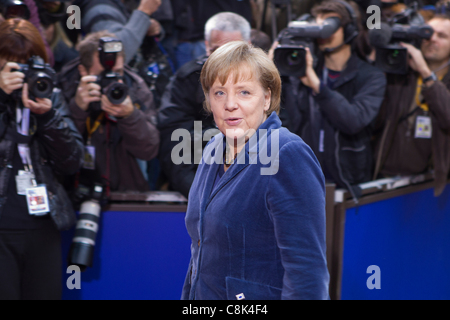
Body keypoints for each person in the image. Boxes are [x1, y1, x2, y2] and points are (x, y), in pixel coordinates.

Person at [181, 41, 329, 300]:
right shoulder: (213, 147)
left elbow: (307, 271)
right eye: (219, 93)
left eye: (244, 92)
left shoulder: (286, 152)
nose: (230, 104)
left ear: (267, 98)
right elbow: (200, 255)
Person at [0, 18, 84, 300]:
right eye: (12, 63)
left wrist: (47, 117)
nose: (22, 73)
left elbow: (72, 162)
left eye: (27, 63)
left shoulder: (49, 95)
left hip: (42, 225)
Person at [280, 0, 386, 199]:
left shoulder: (372, 76)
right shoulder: (299, 72)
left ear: (349, 30)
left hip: (346, 183)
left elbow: (353, 121)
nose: (322, 33)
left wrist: (318, 87)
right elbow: (289, 123)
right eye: (317, 25)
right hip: (303, 180)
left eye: (329, 26)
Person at [157, 12, 251, 198]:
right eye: (217, 50)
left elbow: (278, 138)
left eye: (232, 51)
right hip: (200, 188)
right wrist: (203, 196)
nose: (224, 59)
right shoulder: (188, 80)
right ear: (207, 47)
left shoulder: (265, 81)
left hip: (253, 189)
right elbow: (173, 145)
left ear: (248, 46)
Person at [57, 31, 160, 195]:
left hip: (127, 192)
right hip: (75, 190)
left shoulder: (136, 88)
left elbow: (148, 151)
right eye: (103, 75)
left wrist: (130, 116)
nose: (112, 81)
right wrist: (77, 109)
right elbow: (59, 154)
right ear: (83, 71)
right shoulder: (63, 88)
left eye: (117, 72)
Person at [373, 15, 450, 196]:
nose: (432, 39)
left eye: (442, 36)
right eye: (427, 33)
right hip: (386, 176)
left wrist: (425, 71)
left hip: (431, 181)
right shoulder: (401, 69)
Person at [72, 0, 162, 64]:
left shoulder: (121, 3)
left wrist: (146, 26)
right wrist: (144, 12)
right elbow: (117, 53)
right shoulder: (101, 9)